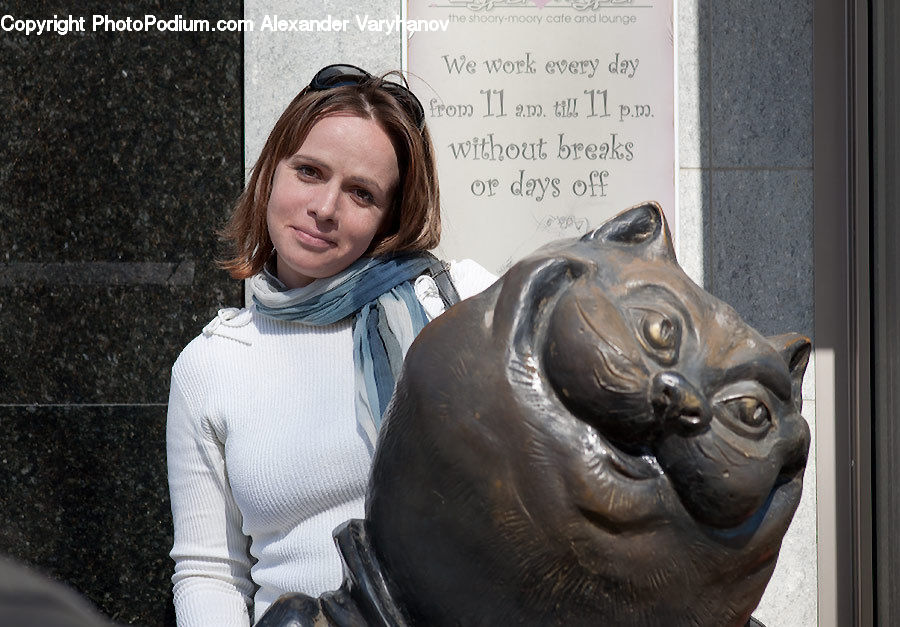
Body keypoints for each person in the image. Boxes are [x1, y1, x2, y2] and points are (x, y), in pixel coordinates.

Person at [165, 64, 495, 626]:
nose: (325, 208)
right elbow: (210, 571)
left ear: (390, 217)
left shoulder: (457, 306)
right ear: (272, 172)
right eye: (310, 172)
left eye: (361, 193)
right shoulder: (213, 363)